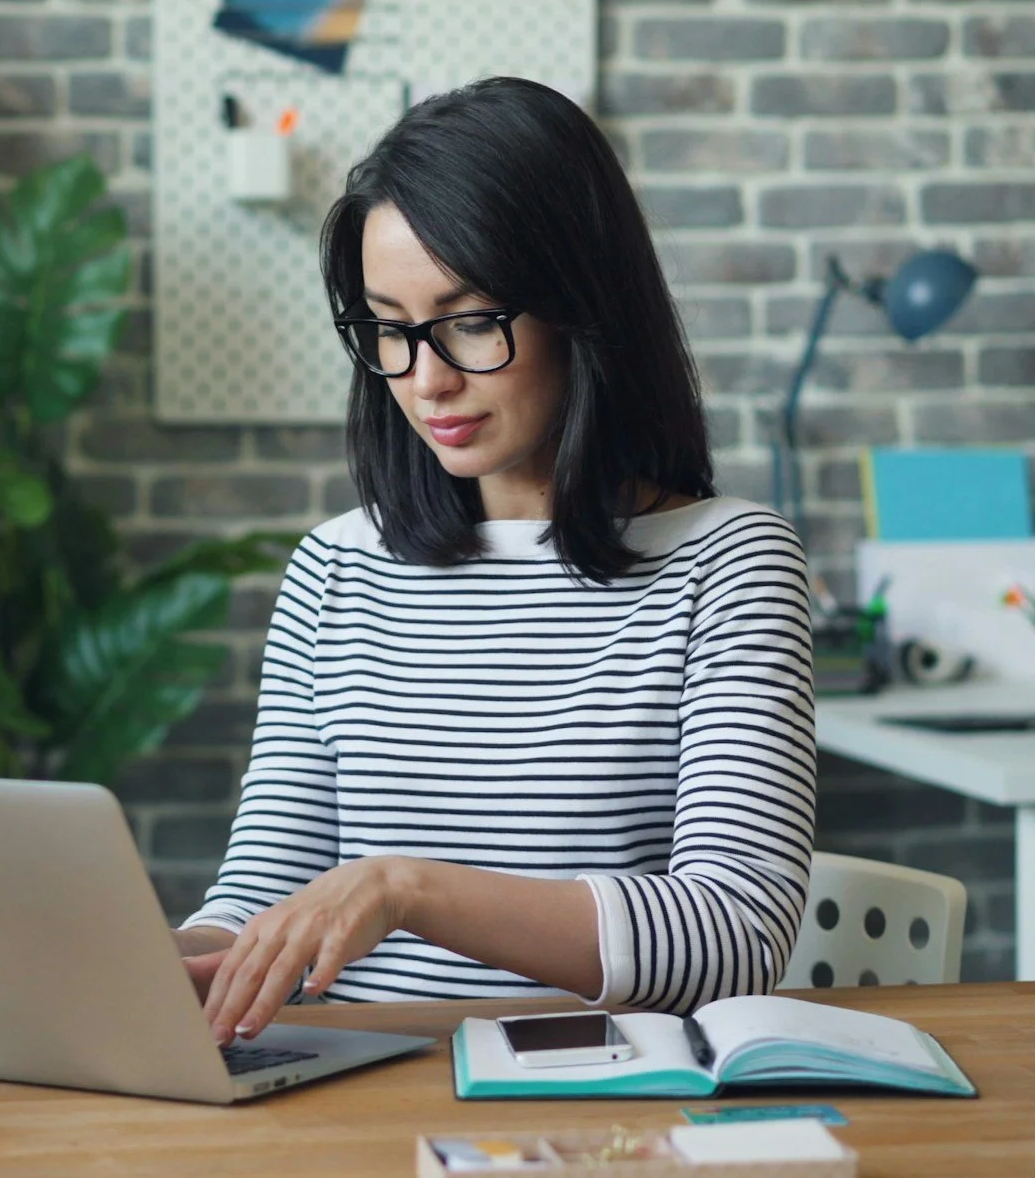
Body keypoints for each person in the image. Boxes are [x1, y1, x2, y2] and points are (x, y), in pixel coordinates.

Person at [173, 77, 817, 1047]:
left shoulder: (725, 564)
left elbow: (733, 934)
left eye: (469, 321)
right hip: (351, 1091)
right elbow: (265, 886)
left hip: (602, 1102)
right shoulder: (336, 568)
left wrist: (404, 886)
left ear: (580, 309)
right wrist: (172, 968)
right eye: (389, 328)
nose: (425, 378)